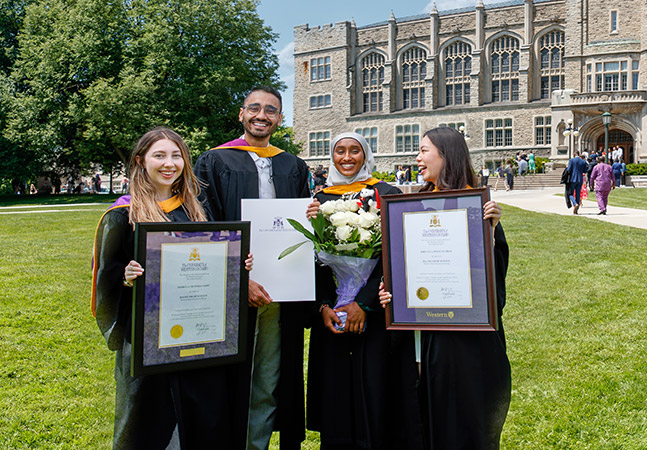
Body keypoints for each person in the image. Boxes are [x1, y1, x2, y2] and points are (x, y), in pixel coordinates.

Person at [92, 127, 238, 449]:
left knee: (201, 417)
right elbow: (106, 278)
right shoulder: (121, 216)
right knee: (148, 422)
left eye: (176, 155)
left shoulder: (196, 210)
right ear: (141, 160)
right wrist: (127, 277)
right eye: (159, 155)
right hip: (146, 340)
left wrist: (237, 262)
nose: (169, 163)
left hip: (197, 335)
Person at [377, 126, 511, 449]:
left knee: (460, 426)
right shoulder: (413, 207)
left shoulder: (477, 207)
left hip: (462, 347)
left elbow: (492, 287)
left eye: (424, 150)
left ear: (445, 154)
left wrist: (489, 233)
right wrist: (391, 293)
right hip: (419, 340)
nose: (417, 158)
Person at [195, 87, 310, 450]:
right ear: (241, 114)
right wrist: (236, 277)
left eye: (271, 110)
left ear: (279, 119)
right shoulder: (214, 162)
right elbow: (204, 224)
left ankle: (256, 444)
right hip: (231, 288)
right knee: (229, 373)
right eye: (255, 108)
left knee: (269, 373)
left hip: (280, 289)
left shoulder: (293, 165)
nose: (262, 115)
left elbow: (303, 223)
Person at [298, 132, 413, 450]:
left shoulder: (387, 194)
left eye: (354, 151)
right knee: (335, 396)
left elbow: (394, 254)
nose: (347, 157)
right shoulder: (318, 203)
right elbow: (314, 261)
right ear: (331, 156)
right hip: (332, 317)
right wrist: (322, 306)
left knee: (376, 394)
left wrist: (363, 303)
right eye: (339, 151)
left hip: (373, 314)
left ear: (366, 155)